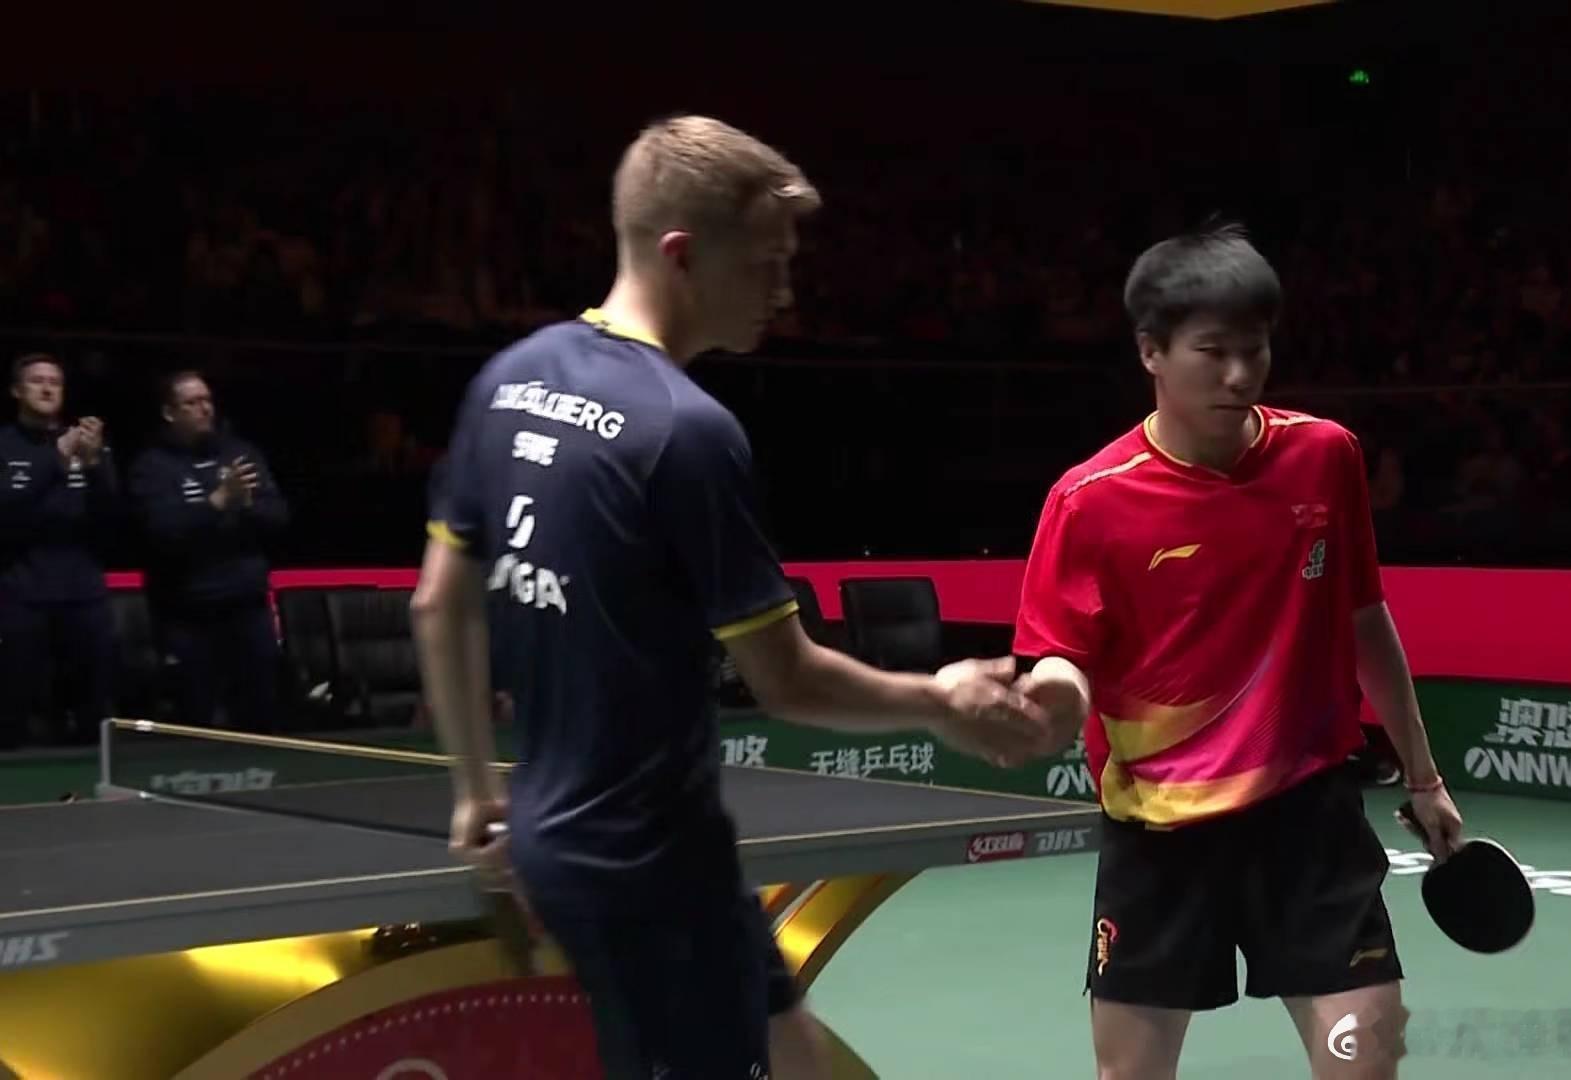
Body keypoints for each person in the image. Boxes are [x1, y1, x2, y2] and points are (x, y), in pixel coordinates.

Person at [410, 114, 1062, 1080]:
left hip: (605, 839)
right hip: (645, 867)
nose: (785, 292)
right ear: (682, 255)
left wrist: (475, 791)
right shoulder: (683, 432)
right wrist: (942, 700)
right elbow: (786, 680)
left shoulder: (509, 380)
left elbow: (438, 605)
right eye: (766, 264)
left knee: (796, 1056)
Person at [1009, 224, 1465, 1080]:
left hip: (1310, 822)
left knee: (1365, 1063)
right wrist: (1054, 697)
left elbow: (1364, 618)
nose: (1239, 374)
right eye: (1211, 351)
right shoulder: (1089, 500)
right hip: (1162, 833)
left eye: (1254, 350)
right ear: (1151, 352)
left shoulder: (1324, 456)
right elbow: (1060, 654)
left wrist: (1424, 775)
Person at [128, 370, 289, 732]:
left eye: (207, 400)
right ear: (170, 412)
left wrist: (246, 504)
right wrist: (216, 502)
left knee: (261, 714)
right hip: (188, 615)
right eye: (192, 402)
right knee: (196, 718)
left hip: (247, 608)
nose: (204, 408)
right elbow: (161, 532)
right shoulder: (151, 467)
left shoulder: (240, 454)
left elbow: (278, 516)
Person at [0, 354, 119, 748]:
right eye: (37, 380)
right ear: (16, 391)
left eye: (55, 382)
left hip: (84, 595)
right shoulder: (5, 445)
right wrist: (56, 461)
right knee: (15, 707)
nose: (48, 388)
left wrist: (95, 465)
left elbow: (113, 521)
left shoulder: (88, 445)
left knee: (91, 706)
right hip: (22, 595)